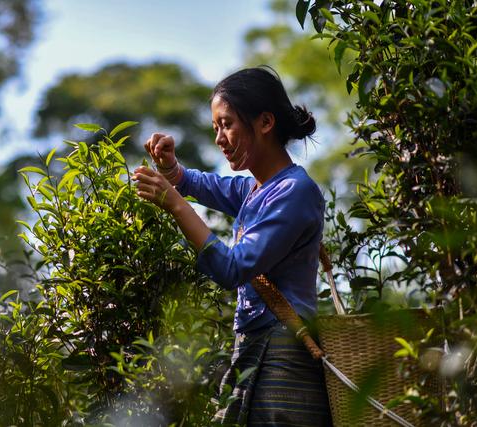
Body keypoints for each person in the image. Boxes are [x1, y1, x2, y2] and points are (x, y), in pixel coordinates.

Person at [132, 66, 332, 426]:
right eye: (215, 129)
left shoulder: (295, 192)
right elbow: (200, 183)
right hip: (257, 347)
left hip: (284, 357)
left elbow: (233, 267)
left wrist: (175, 203)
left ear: (265, 123)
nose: (219, 138)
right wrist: (171, 169)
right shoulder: (254, 190)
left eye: (226, 124)